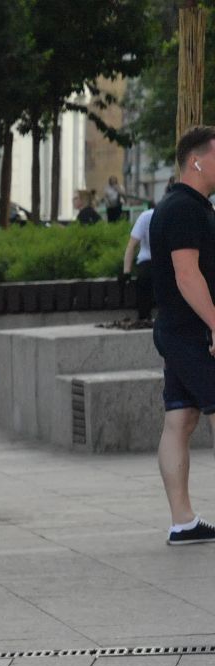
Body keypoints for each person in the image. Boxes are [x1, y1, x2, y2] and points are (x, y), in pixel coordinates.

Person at [144, 126, 215, 546]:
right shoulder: (185, 209)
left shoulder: (188, 206)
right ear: (198, 160)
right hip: (192, 332)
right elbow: (187, 275)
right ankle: (181, 520)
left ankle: (182, 521)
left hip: (179, 330)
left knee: (180, 419)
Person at [125, 202, 156, 324]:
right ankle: (144, 316)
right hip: (147, 259)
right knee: (144, 278)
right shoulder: (146, 217)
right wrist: (126, 272)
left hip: (164, 260)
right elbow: (131, 246)